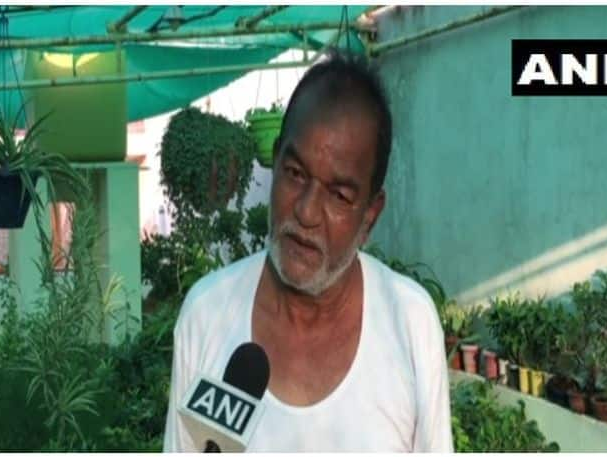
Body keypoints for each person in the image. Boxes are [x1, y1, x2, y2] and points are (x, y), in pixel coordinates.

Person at [163, 51, 453, 452]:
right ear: (276, 160)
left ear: (370, 214)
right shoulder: (207, 314)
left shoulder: (409, 322)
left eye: (339, 194)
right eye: (295, 174)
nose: (306, 211)